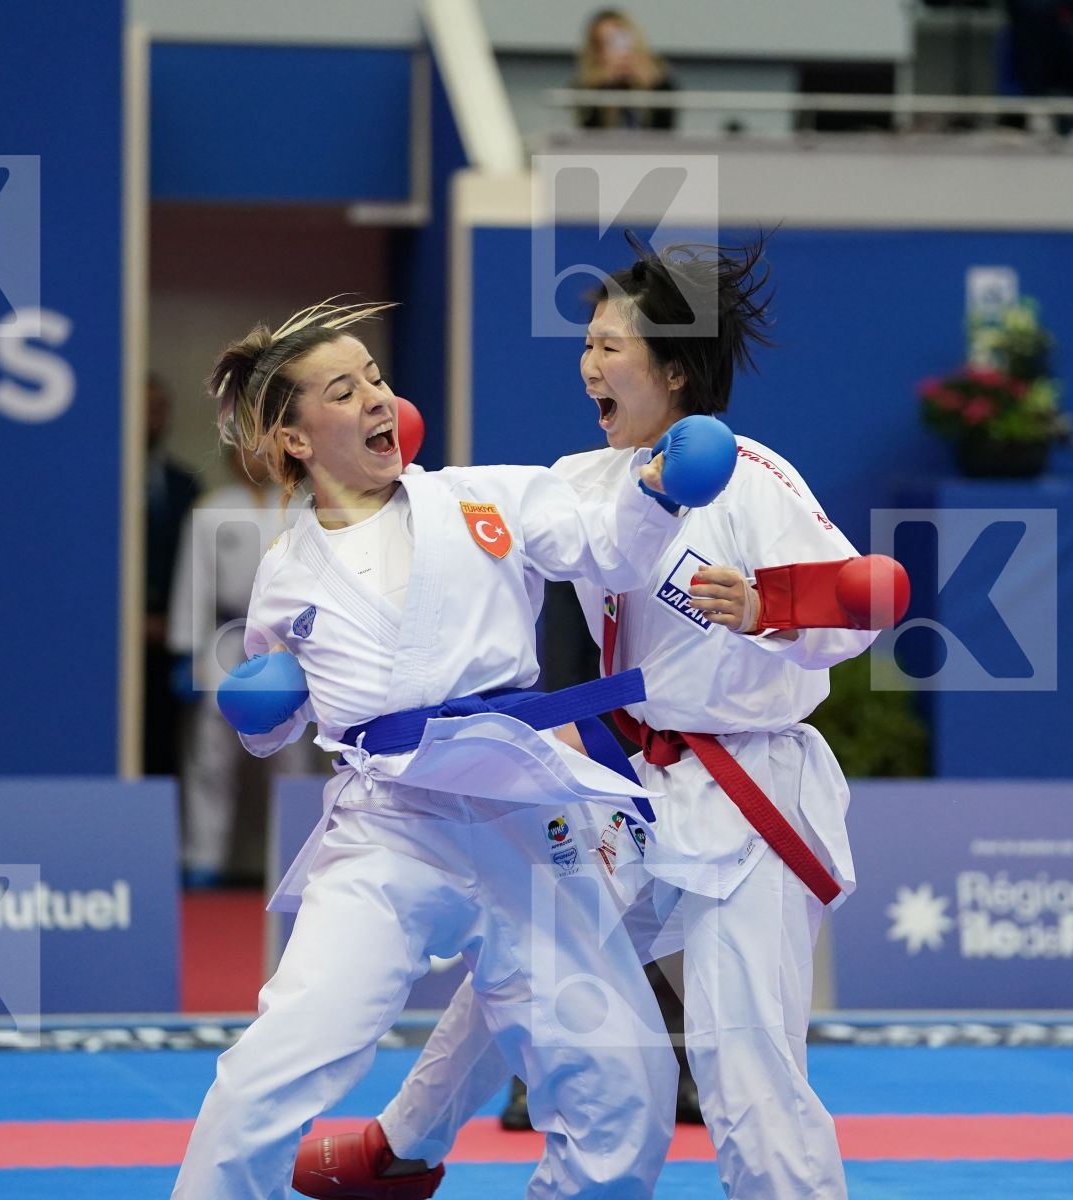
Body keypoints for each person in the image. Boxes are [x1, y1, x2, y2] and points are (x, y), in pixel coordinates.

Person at [299, 238, 880, 1200]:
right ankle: (402, 1146)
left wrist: (767, 606)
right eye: (587, 345)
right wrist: (374, 476)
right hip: (641, 788)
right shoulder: (586, 480)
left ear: (675, 371)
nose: (589, 365)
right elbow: (468, 527)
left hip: (751, 796)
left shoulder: (753, 478)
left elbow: (857, 610)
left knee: (745, 1063)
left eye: (611, 347)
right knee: (528, 956)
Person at [171, 298, 737, 1200]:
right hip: (392, 832)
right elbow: (278, 726)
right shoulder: (288, 574)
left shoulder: (483, 497)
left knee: (626, 1089)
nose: (376, 399)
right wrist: (260, 708)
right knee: (279, 1061)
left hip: (525, 823)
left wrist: (657, 491)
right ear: (295, 438)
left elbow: (607, 548)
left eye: (376, 378)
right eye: (342, 391)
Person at [168, 446, 323, 888]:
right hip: (227, 634)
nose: (254, 461)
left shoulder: (303, 509)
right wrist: (187, 651)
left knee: (293, 755)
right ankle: (203, 858)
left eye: (263, 453)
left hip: (286, 640)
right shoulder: (212, 510)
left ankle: (295, 858)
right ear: (231, 459)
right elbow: (194, 582)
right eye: (245, 453)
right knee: (211, 755)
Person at [145, 373, 201, 777]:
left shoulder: (186, 487)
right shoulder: (98, 485)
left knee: (168, 746)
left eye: (159, 409)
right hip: (115, 643)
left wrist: (176, 625)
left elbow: (195, 569)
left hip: (169, 640)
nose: (152, 418)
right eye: (144, 408)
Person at [574, 10, 677, 131]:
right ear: (597, 51)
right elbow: (588, 133)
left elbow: (665, 132)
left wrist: (652, 85)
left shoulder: (659, 81)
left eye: (620, 40)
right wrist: (605, 86)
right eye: (607, 43)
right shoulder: (584, 89)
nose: (619, 52)